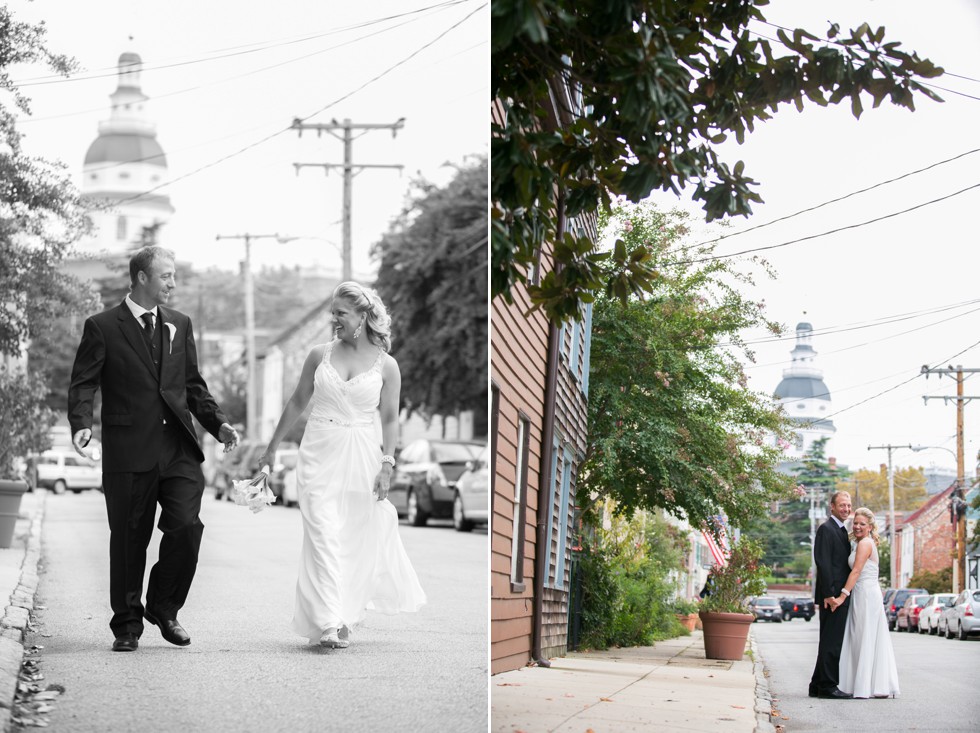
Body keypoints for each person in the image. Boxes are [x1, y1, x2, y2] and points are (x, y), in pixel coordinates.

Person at [68, 246, 239, 653]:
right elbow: (83, 383)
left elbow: (192, 385)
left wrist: (218, 424)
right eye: (166, 276)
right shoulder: (103, 326)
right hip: (129, 450)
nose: (173, 283)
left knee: (186, 525)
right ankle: (126, 624)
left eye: (174, 275)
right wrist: (81, 425)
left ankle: (163, 607)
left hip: (178, 448)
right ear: (142, 277)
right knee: (129, 538)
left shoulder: (180, 323)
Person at [257, 281, 425, 649]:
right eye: (332, 312)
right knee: (322, 530)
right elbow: (298, 399)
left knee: (350, 537)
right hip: (319, 450)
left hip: (363, 454)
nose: (334, 320)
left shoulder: (387, 366)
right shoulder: (320, 355)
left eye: (340, 313)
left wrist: (387, 464)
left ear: (363, 317)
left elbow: (391, 420)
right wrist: (271, 448)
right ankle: (329, 621)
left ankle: (344, 610)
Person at [828, 507, 900, 699]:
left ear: (870, 527)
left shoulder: (865, 544)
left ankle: (867, 686)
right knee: (859, 635)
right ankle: (862, 683)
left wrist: (842, 596)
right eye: (856, 523)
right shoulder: (858, 543)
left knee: (865, 635)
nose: (858, 526)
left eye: (862, 524)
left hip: (867, 594)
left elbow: (856, 571)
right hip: (860, 593)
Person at [808, 490, 853, 699]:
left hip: (836, 595)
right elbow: (823, 562)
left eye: (848, 505)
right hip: (833, 597)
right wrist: (829, 595)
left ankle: (816, 684)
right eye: (842, 505)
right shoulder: (827, 529)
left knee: (828, 641)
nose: (846, 509)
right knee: (832, 643)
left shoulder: (842, 530)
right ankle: (827, 686)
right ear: (832, 507)